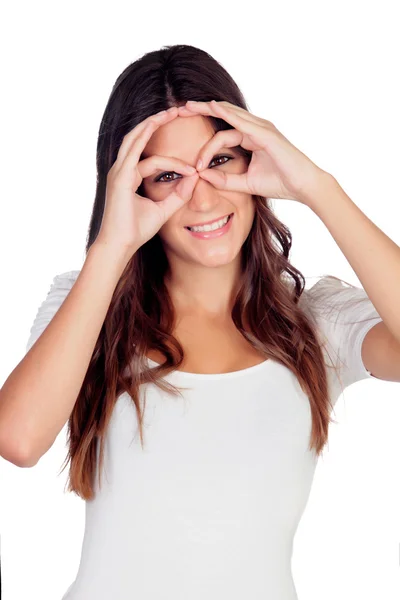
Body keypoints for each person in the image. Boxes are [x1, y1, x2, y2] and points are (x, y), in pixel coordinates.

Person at [0, 44, 393, 599]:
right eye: (166, 176)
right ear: (130, 189)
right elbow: (17, 439)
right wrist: (111, 247)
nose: (201, 198)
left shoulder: (313, 321)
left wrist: (317, 188)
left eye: (218, 161)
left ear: (251, 158)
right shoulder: (90, 306)